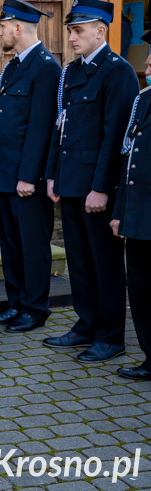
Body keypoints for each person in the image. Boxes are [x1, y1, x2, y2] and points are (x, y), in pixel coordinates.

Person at [44, 0, 140, 362]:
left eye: (78, 30)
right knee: (80, 260)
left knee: (105, 262)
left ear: (101, 31)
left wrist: (101, 187)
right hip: (69, 182)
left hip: (96, 187)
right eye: (70, 30)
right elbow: (61, 126)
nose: (71, 37)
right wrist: (53, 174)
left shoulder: (117, 72)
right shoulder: (72, 72)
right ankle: (86, 325)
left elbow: (115, 136)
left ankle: (111, 335)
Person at [0, 0, 61, 332]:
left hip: (27, 179)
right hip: (6, 173)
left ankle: (35, 308)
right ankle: (15, 303)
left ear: (17, 27)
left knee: (33, 244)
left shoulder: (45, 67)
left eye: (2, 27)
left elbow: (42, 128)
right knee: (11, 243)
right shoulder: (13, 66)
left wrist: (30, 176)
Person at [111, 30, 151, 380]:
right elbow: (130, 160)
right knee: (139, 290)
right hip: (139, 218)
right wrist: (120, 211)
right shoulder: (145, 99)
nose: (147, 66)